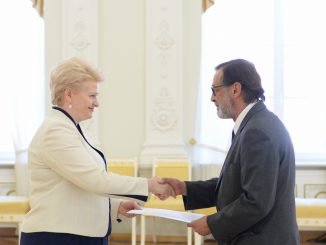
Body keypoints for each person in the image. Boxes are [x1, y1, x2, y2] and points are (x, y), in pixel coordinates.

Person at [20, 57, 174, 245]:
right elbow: (95, 179)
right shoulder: (56, 131)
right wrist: (148, 184)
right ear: (69, 94)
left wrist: (115, 206)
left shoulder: (69, 128)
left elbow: (77, 186)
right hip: (58, 237)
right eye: (92, 95)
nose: (97, 103)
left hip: (75, 235)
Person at [161, 59, 299, 245]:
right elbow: (236, 185)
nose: (212, 98)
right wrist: (185, 188)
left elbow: (256, 201)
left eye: (215, 90)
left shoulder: (257, 131)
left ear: (235, 89)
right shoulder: (254, 124)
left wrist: (212, 223)